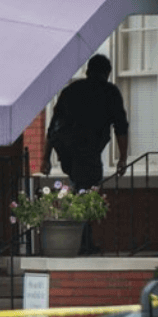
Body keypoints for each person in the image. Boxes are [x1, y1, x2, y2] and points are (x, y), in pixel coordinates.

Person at [40, 54, 129, 253]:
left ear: (88, 71)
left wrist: (45, 159)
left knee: (82, 188)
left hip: (67, 150)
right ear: (106, 74)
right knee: (86, 191)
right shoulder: (109, 92)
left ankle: (81, 240)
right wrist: (122, 159)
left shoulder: (71, 91)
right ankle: (81, 242)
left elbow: (52, 129)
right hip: (85, 150)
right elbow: (121, 128)